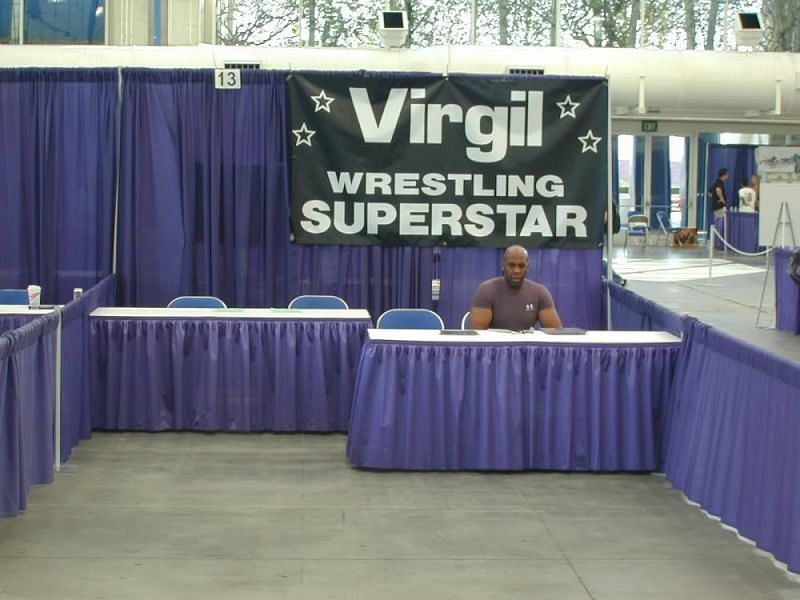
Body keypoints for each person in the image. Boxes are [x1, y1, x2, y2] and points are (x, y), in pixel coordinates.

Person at [470, 245, 563, 330]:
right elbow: (479, 336)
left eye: (521, 266)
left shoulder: (540, 292)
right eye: (511, 265)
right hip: (496, 347)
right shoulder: (486, 291)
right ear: (503, 266)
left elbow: (556, 333)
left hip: (527, 347)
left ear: (528, 267)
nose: (516, 271)